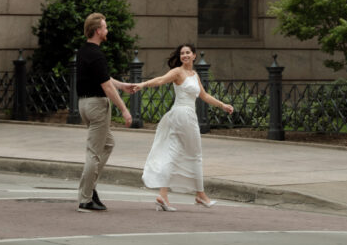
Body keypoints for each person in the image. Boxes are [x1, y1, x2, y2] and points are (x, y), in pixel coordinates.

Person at [134, 43, 233, 211]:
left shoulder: (194, 75)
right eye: (182, 53)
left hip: (185, 116)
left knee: (173, 153)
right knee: (195, 154)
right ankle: (200, 195)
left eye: (188, 53)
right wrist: (143, 85)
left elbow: (203, 95)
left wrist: (222, 105)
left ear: (194, 56)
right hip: (183, 115)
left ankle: (163, 195)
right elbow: (160, 80)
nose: (185, 55)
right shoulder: (178, 72)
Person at [76, 12, 135, 212]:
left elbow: (105, 79)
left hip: (84, 105)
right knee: (94, 152)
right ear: (98, 31)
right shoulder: (97, 54)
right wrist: (124, 109)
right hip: (97, 106)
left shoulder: (84, 51)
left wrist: (123, 85)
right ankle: (86, 198)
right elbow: (106, 87)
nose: (107, 30)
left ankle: (89, 188)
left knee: (108, 144)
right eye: (105, 27)